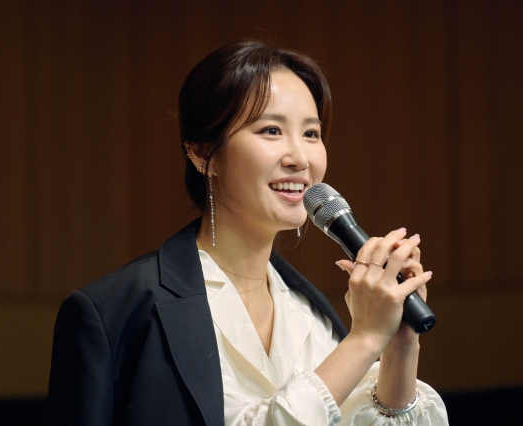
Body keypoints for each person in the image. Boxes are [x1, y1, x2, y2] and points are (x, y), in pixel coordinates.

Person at [44, 40, 448, 425]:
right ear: (203, 153)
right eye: (271, 131)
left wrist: (397, 342)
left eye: (311, 133)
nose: (299, 157)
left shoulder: (312, 315)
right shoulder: (117, 311)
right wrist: (363, 340)